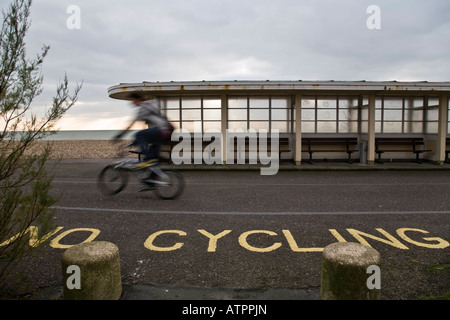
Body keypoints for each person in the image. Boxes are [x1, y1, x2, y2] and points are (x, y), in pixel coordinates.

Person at [114, 92, 171, 169]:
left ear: (136, 99)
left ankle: (147, 159)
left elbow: (132, 124)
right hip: (165, 131)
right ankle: (152, 179)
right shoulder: (150, 104)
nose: (132, 103)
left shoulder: (143, 107)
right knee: (153, 160)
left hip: (161, 131)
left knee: (138, 135)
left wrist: (120, 135)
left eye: (132, 100)